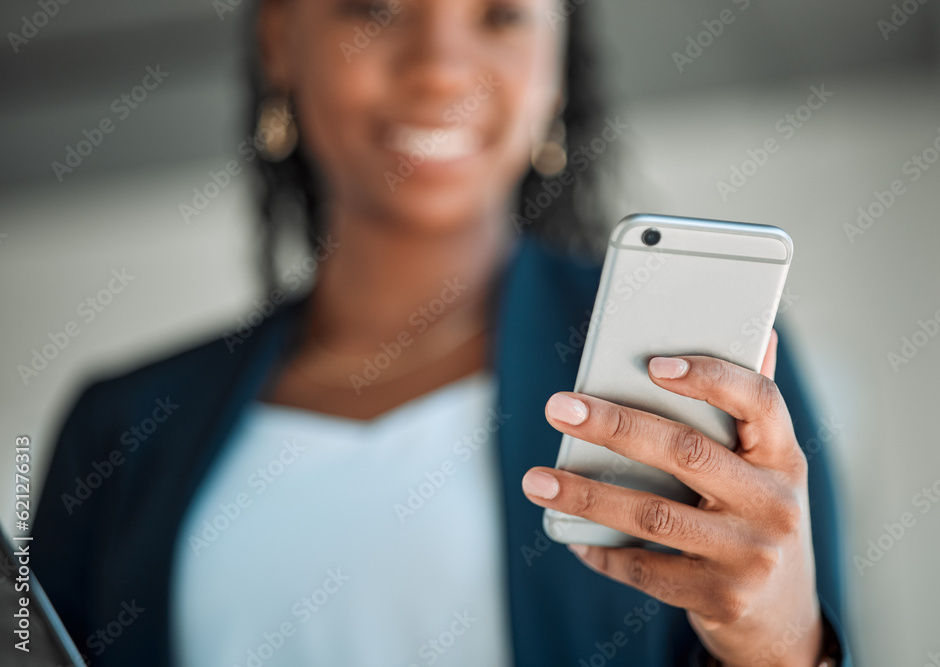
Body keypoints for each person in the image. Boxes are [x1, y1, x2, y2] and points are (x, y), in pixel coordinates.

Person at [32, 0, 851, 665]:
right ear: (281, 38)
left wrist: (777, 647)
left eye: (499, 14)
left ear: (556, 62)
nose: (438, 66)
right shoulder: (119, 428)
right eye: (375, 8)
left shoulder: (701, 372)